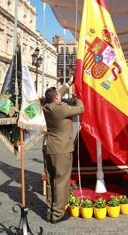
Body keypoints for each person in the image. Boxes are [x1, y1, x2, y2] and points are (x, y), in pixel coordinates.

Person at [42, 77, 84, 223]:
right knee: (61, 181)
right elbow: (80, 108)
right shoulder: (62, 108)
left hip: (49, 148)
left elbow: (55, 95)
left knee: (51, 181)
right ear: (57, 98)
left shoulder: (46, 106)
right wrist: (78, 96)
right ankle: (58, 214)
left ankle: (50, 211)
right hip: (61, 150)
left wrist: (69, 83)